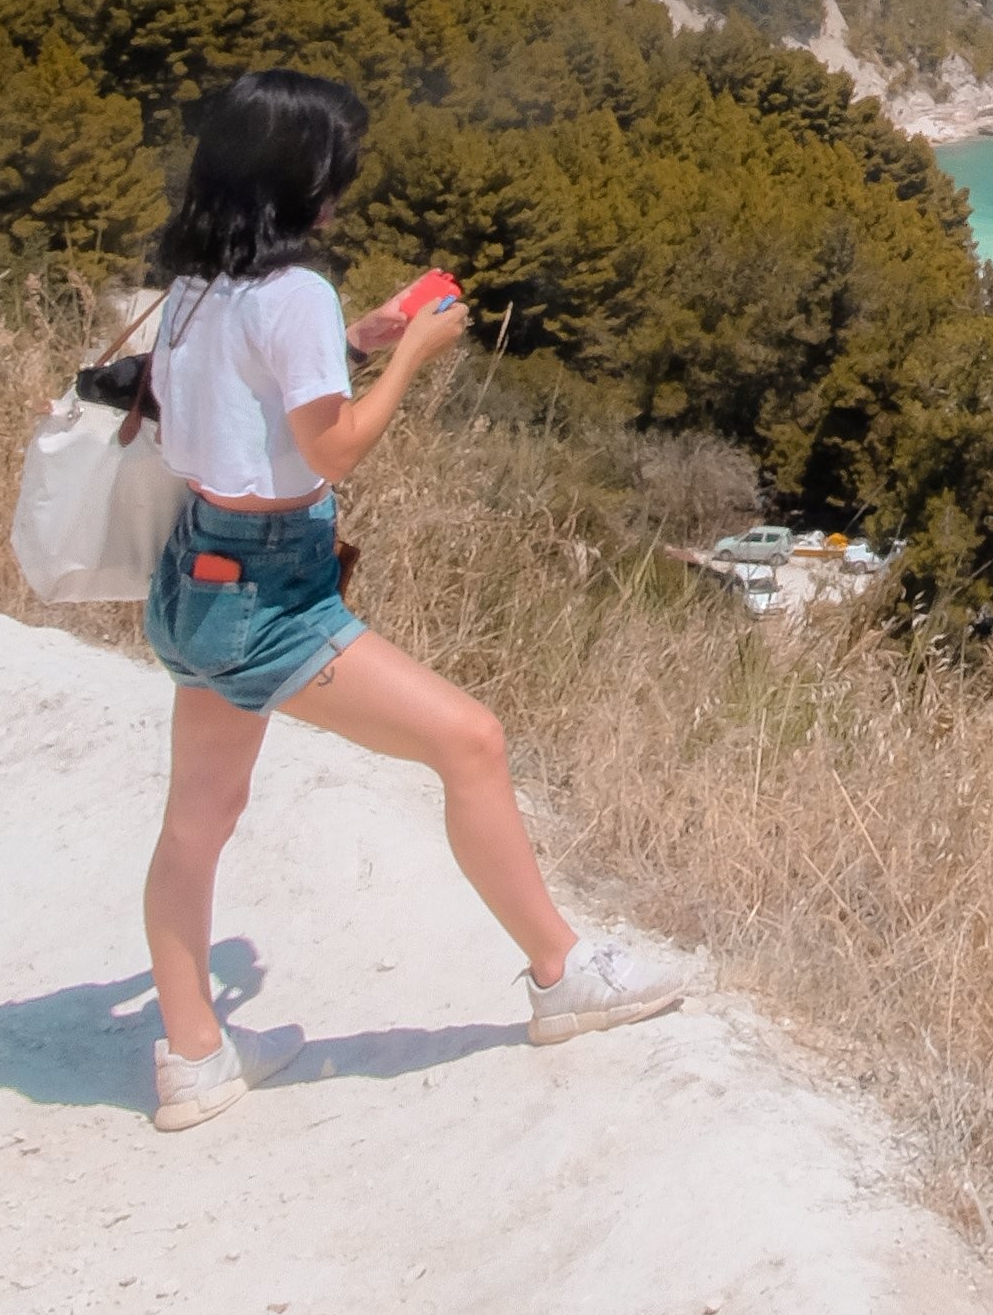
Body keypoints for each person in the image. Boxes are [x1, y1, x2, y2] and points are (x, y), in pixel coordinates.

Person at [140, 66, 681, 1131]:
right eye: (336, 170)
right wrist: (416, 356)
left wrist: (360, 339)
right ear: (300, 179)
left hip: (194, 572)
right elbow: (332, 443)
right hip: (266, 588)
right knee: (470, 740)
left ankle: (193, 1053)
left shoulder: (195, 279)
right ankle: (561, 973)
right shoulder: (295, 290)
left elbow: (238, 397)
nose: (343, 190)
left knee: (196, 820)